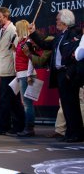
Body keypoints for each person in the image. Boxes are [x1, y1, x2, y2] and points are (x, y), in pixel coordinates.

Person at [29, 9, 83, 142]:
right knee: (65, 105)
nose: (56, 21)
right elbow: (45, 45)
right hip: (60, 75)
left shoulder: (74, 33)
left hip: (69, 74)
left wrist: (70, 74)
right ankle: (69, 133)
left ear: (65, 21)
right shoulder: (59, 36)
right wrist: (33, 33)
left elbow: (75, 55)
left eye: (58, 19)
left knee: (72, 105)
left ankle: (77, 134)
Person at [0, 7, 25, 135]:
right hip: (3, 70)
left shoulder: (12, 30)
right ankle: (16, 125)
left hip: (10, 71)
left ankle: (5, 126)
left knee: (6, 100)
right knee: (12, 100)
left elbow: (16, 51)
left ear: (6, 16)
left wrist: (17, 71)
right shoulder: (1, 30)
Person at [14, 20, 37, 137]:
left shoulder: (28, 41)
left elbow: (31, 59)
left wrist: (29, 75)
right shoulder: (21, 41)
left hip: (26, 74)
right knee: (26, 103)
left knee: (28, 103)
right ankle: (28, 127)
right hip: (21, 74)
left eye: (17, 27)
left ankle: (29, 128)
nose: (15, 30)